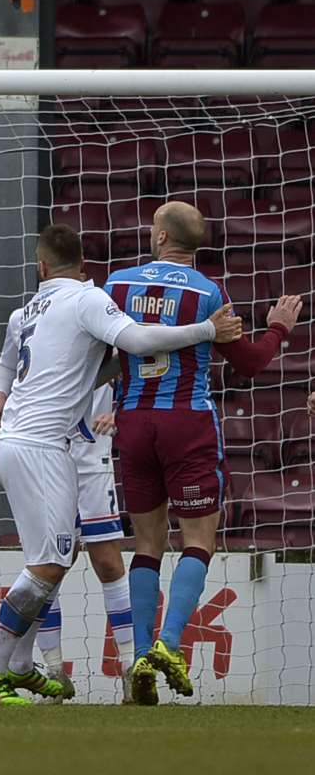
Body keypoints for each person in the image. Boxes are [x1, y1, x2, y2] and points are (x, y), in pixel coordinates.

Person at [0, 224, 242, 706]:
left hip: (16, 440)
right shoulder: (88, 300)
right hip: (42, 447)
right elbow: (135, 342)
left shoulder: (28, 309)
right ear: (85, 266)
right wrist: (206, 331)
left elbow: (56, 364)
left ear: (41, 268)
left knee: (53, 558)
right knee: (50, 563)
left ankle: (21, 665)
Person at [103, 201, 303, 706]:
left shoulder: (118, 284)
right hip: (185, 422)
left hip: (131, 421)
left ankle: (140, 658)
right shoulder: (207, 293)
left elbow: (97, 353)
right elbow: (251, 363)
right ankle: (168, 645)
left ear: (162, 238)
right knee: (199, 536)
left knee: (147, 543)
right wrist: (278, 327)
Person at [0, 374, 135, 703]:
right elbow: (13, 361)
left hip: (92, 462)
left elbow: (137, 373)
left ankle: (130, 668)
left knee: (108, 561)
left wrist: (119, 415)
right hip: (45, 458)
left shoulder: (107, 327)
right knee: (49, 567)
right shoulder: (41, 328)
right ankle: (53, 670)